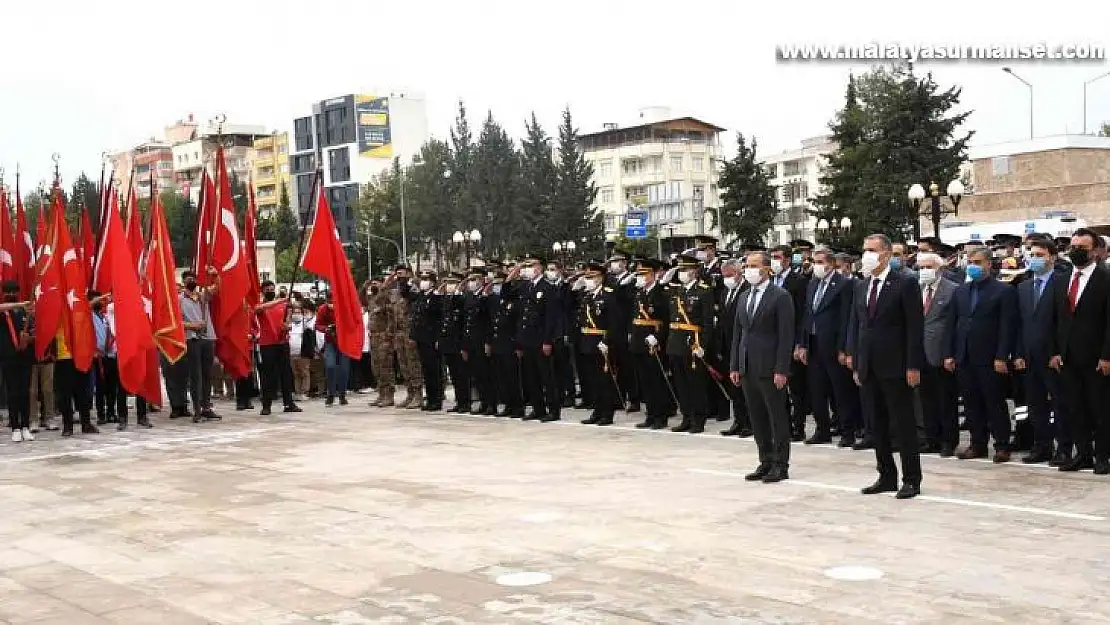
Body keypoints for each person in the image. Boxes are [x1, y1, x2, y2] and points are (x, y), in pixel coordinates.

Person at [846, 234, 925, 500]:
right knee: (876, 426)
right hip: (869, 366)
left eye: (872, 250)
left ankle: (911, 478)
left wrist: (913, 365)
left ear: (887, 254)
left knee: (902, 425)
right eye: (864, 249)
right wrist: (857, 363)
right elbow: (858, 327)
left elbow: (914, 328)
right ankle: (886, 474)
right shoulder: (861, 286)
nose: (866, 254)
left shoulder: (905, 283)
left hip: (896, 365)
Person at [948, 246, 1018, 463]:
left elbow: (1008, 326)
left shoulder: (1003, 291)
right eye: (970, 262)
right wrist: (951, 354)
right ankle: (977, 444)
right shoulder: (961, 291)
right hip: (964, 356)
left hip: (990, 358)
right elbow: (954, 324)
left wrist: (1001, 355)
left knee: (994, 403)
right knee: (971, 403)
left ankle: (1002, 445)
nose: (973, 266)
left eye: (977, 262)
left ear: (989, 264)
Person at [730, 251, 795, 483]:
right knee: (757, 417)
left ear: (767, 268)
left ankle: (780, 463)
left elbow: (786, 336)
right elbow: (738, 333)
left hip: (769, 367)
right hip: (747, 365)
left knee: (776, 416)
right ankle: (765, 460)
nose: (749, 270)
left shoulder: (780, 296)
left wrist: (782, 368)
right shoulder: (744, 296)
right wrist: (735, 365)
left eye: (754, 265)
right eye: (747, 265)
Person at [1049, 228, 1110, 474]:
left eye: (1081, 248)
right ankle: (1082, 453)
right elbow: (1055, 319)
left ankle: (1102, 455)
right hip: (1067, 357)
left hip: (1096, 358)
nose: (1075, 251)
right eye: (1073, 246)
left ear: (1095, 251)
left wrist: (1107, 356)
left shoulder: (1105, 279)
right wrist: (1054, 352)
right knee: (1074, 408)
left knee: (1100, 409)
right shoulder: (1062, 278)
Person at [796, 248, 860, 447]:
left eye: (819, 261)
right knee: (817, 390)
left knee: (840, 391)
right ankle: (822, 429)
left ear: (831, 264)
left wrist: (844, 348)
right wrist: (802, 343)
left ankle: (847, 431)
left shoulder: (844, 284)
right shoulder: (813, 283)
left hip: (833, 345)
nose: (815, 265)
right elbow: (807, 314)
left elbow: (845, 318)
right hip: (814, 344)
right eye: (814, 261)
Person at [1014, 237, 1069, 465]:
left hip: (1053, 356)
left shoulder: (1063, 283)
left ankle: (1064, 448)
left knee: (1060, 403)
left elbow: (1064, 323)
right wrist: (1017, 353)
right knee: (1036, 404)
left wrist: (1059, 352)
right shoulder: (1023, 286)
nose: (1035, 259)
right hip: (1029, 355)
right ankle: (1041, 446)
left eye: (1040, 255)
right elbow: (1018, 323)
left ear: (1052, 257)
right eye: (1032, 254)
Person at [916, 252, 960, 457]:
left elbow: (954, 325)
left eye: (927, 267)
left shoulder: (952, 291)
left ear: (939, 268)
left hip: (942, 353)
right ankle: (931, 438)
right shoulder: (916, 289)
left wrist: (950, 353)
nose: (924, 271)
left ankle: (948, 441)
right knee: (927, 400)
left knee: (946, 400)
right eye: (921, 267)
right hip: (920, 352)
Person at [667, 254, 715, 434]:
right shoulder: (676, 290)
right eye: (680, 270)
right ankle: (686, 417)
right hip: (676, 342)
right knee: (681, 384)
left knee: (696, 384)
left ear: (694, 271)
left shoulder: (704, 291)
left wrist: (703, 344)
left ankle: (698, 419)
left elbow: (708, 323)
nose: (682, 273)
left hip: (693, 343)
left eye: (685, 270)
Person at [769, 244, 810, 441]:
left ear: (787, 259)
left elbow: (802, 315)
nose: (774, 261)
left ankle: (798, 425)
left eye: (777, 257)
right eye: (772, 257)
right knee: (777, 387)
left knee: (796, 388)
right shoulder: (769, 281)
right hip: (772, 342)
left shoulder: (799, 281)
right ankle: (782, 423)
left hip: (791, 339)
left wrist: (799, 343)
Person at [515, 255, 561, 421]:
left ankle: (554, 410)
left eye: (531, 265)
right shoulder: (526, 287)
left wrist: (548, 341)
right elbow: (522, 316)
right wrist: (519, 342)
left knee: (546, 377)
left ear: (539, 268)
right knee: (531, 377)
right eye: (525, 266)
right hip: (527, 339)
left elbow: (550, 317)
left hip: (541, 339)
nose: (527, 268)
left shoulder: (547, 287)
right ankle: (538, 408)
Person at [629, 257, 672, 430]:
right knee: (645, 382)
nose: (640, 276)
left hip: (654, 342)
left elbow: (667, 320)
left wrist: (658, 336)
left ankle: (661, 417)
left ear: (653, 274)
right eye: (638, 273)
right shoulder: (639, 293)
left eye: (643, 273)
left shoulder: (662, 292)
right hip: (640, 341)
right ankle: (650, 415)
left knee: (657, 381)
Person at [580, 262, 620, 426]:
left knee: (604, 380)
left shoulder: (608, 296)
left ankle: (607, 413)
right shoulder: (587, 296)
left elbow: (614, 323)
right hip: (588, 342)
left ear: (601, 278)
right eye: (587, 277)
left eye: (592, 277)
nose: (588, 280)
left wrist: (607, 341)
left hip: (602, 342)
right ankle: (597, 410)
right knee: (593, 380)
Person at [179, 269, 220, 423]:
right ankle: (196, 409)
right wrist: (194, 325)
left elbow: (217, 288)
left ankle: (206, 407)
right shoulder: (180, 299)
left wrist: (215, 275)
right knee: (196, 376)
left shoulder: (202, 296)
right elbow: (176, 322)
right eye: (188, 279)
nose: (192, 281)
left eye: (193, 279)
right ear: (184, 282)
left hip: (208, 338)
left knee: (207, 374)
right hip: (192, 339)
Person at [255, 281, 301, 416]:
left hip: (282, 342)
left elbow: (287, 321)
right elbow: (259, 309)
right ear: (263, 291)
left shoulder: (283, 306)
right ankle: (266, 405)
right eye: (267, 289)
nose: (270, 291)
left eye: (272, 289)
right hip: (267, 344)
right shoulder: (262, 305)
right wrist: (280, 301)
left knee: (286, 374)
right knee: (268, 376)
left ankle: (289, 403)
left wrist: (287, 324)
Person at [604, 249, 639, 413]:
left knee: (627, 366)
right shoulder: (609, 280)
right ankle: (617, 397)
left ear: (624, 263)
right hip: (612, 328)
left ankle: (633, 399)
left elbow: (632, 306)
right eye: (611, 261)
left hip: (625, 327)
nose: (613, 264)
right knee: (613, 363)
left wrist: (631, 330)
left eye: (616, 261)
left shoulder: (631, 281)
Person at [0, 283, 35, 442]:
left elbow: (34, 333)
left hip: (24, 357)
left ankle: (25, 426)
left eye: (14, 291)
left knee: (24, 392)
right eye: (8, 292)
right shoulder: (4, 312)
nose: (11, 293)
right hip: (8, 358)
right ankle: (15, 427)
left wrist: (29, 338)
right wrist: (21, 303)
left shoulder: (25, 313)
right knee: (13, 392)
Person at [488, 270, 523, 417]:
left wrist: (518, 345)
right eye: (494, 284)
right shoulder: (494, 300)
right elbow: (490, 322)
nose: (497, 287)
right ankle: (508, 405)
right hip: (497, 343)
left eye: (499, 284)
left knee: (513, 378)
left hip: (510, 344)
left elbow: (517, 324)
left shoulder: (513, 301)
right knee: (501, 378)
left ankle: (517, 407)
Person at [462, 270, 495, 415]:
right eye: (469, 280)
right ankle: (483, 402)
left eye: (473, 279)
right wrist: (464, 345)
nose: (471, 283)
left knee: (486, 374)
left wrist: (488, 342)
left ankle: (490, 404)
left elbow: (488, 321)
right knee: (476, 375)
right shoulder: (469, 297)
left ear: (481, 281)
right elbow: (466, 321)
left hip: (482, 340)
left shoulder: (485, 297)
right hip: (471, 341)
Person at [439, 272, 470, 413]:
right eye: (448, 283)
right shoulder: (447, 299)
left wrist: (458, 293)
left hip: (459, 342)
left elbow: (463, 322)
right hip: (449, 342)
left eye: (453, 283)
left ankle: (465, 402)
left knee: (462, 375)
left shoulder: (463, 298)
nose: (449, 286)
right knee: (455, 375)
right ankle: (459, 401)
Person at [366, 276, 397, 407]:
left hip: (383, 336)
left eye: (376, 283)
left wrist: (389, 334)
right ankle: (381, 393)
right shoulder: (372, 299)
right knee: (376, 367)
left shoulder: (385, 299)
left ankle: (389, 395)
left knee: (385, 367)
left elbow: (391, 317)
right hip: (374, 337)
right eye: (372, 283)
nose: (373, 285)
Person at [315, 291, 350, 406]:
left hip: (344, 342)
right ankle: (330, 393)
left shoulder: (344, 308)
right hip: (330, 341)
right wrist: (326, 328)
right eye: (329, 301)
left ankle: (342, 394)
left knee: (344, 369)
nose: (331, 303)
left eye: (333, 300)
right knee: (330, 366)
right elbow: (318, 325)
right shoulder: (322, 309)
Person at [288, 300, 314, 402]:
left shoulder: (306, 322)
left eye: (299, 312)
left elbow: (311, 320)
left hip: (302, 352)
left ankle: (304, 392)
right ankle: (297, 392)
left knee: (304, 372)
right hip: (292, 352)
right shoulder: (290, 323)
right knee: (296, 374)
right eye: (295, 312)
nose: (296, 314)